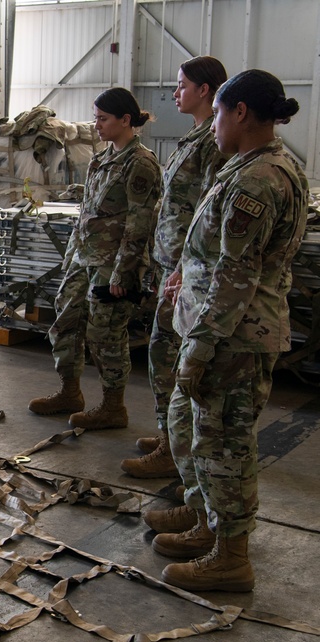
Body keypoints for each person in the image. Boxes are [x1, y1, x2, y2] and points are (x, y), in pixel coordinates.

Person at [147, 70, 308, 592]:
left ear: (239, 112)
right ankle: (207, 524)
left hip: (232, 337)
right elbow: (215, 255)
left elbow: (235, 278)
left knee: (224, 448)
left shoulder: (257, 180)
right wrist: (183, 275)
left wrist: (198, 348)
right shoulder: (250, 166)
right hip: (223, 327)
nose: (212, 123)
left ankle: (230, 556)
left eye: (217, 111)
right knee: (197, 433)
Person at [121, 56, 229, 479]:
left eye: (182, 85)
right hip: (174, 266)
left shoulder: (212, 143)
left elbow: (206, 214)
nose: (174, 92)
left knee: (167, 355)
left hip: (190, 272)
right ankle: (170, 435)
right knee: (163, 354)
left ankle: (173, 447)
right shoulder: (198, 137)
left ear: (204, 90)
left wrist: (184, 267)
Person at [29, 88, 162, 429]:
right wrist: (72, 254)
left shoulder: (141, 163)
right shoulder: (102, 159)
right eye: (96, 117)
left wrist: (125, 273)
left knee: (105, 335)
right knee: (66, 324)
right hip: (84, 258)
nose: (97, 125)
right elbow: (87, 212)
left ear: (125, 120)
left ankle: (112, 406)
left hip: (112, 265)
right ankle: (69, 391)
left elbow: (139, 223)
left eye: (103, 119)